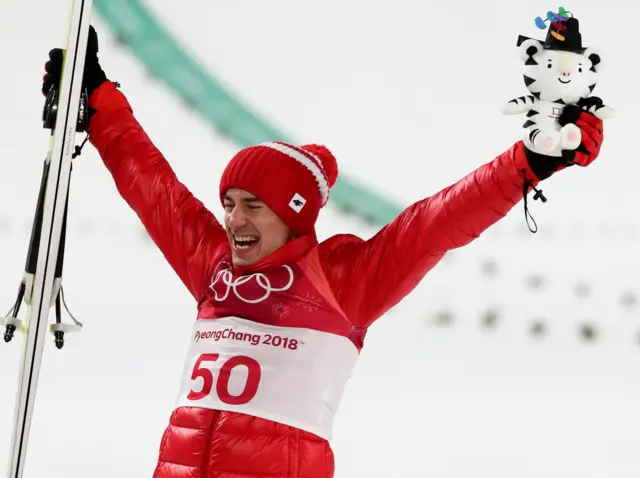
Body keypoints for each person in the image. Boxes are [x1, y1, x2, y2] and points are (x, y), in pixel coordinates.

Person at [42, 28, 605, 478]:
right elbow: (152, 186)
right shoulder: (213, 265)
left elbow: (438, 222)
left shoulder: (341, 280)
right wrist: (97, 104)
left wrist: (527, 164)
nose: (234, 219)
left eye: (252, 206)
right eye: (229, 203)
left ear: (291, 215)